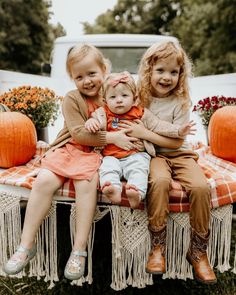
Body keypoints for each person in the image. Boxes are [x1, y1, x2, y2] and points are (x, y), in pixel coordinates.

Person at [3, 44, 139, 281]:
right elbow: (79, 134)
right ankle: (26, 246)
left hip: (95, 153)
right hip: (71, 148)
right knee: (44, 180)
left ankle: (79, 249)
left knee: (86, 184)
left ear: (104, 69)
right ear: (72, 78)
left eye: (92, 74)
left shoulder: (113, 94)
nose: (86, 81)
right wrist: (113, 136)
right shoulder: (72, 98)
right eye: (79, 76)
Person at [118, 41, 216, 284]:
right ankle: (158, 247)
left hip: (180, 153)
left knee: (201, 188)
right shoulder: (139, 98)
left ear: (181, 75)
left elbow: (175, 143)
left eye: (174, 72)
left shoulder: (181, 102)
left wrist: (144, 134)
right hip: (154, 156)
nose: (167, 77)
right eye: (161, 70)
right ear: (149, 71)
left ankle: (198, 251)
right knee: (159, 182)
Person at [85, 71, 195, 209]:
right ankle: (112, 188)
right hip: (111, 155)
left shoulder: (140, 112)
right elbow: (93, 119)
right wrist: (90, 123)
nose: (119, 100)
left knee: (139, 169)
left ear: (134, 98)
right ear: (105, 101)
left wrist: (178, 130)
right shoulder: (103, 113)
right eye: (113, 97)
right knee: (107, 168)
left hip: (135, 154)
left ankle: (136, 192)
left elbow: (158, 125)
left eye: (124, 95)